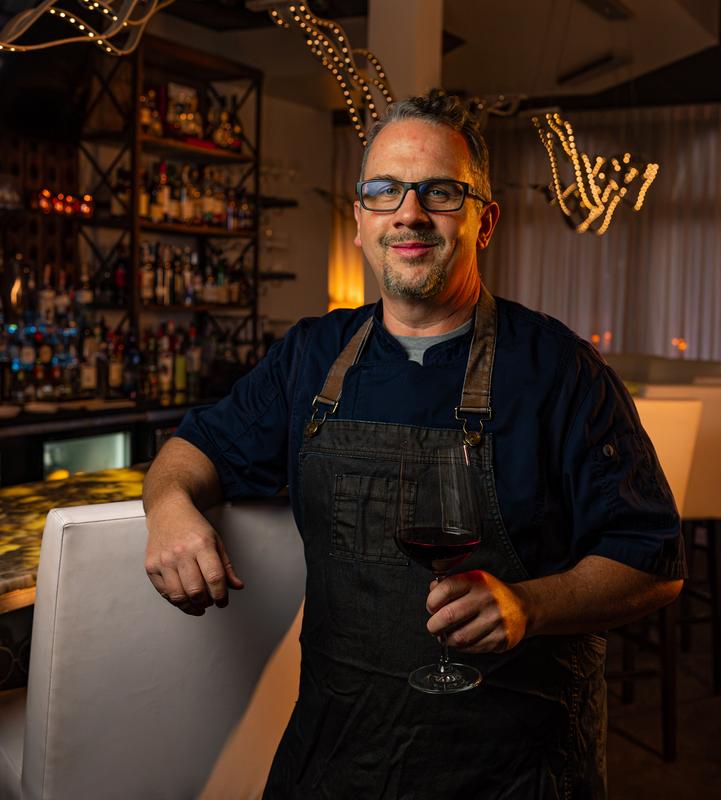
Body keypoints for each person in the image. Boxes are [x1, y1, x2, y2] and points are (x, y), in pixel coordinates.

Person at [143, 91, 685, 799]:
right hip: (337, 759)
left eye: (440, 192)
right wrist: (169, 509)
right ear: (360, 222)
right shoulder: (311, 356)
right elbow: (193, 449)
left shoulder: (559, 368)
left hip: (513, 769)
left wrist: (530, 605)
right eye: (384, 191)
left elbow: (652, 560)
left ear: (485, 222)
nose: (409, 213)